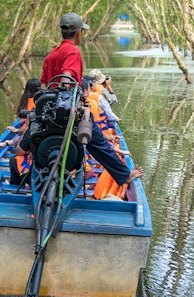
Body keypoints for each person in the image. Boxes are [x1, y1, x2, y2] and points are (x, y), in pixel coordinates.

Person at [40, 12, 143, 187]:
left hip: (49, 112)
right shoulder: (72, 51)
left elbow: (43, 87)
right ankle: (124, 175)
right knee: (98, 141)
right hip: (68, 112)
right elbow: (67, 77)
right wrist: (68, 94)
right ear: (79, 32)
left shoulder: (52, 54)